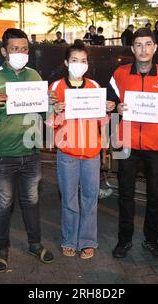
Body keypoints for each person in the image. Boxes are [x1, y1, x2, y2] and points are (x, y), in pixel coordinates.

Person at [0, 28, 54, 273]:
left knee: (31, 201)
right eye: (14, 49)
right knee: (3, 204)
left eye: (24, 49)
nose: (20, 53)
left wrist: (51, 104)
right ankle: (2, 251)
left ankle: (35, 244)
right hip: (1, 154)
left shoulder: (34, 76)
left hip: (31, 152)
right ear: (4, 51)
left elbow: (42, 113)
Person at [108, 28, 158, 260]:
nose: (143, 49)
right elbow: (109, 104)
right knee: (125, 195)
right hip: (126, 144)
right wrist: (115, 109)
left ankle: (152, 240)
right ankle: (124, 239)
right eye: (138, 44)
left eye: (148, 44)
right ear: (132, 48)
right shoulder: (119, 74)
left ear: (155, 47)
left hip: (156, 146)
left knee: (155, 196)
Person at [48, 42, 115, 259]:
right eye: (75, 60)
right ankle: (69, 239)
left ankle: (87, 240)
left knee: (90, 197)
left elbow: (101, 120)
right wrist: (54, 109)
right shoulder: (56, 88)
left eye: (83, 61)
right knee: (69, 198)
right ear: (66, 63)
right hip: (67, 152)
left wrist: (107, 110)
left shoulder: (94, 87)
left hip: (92, 152)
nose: (79, 65)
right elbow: (48, 123)